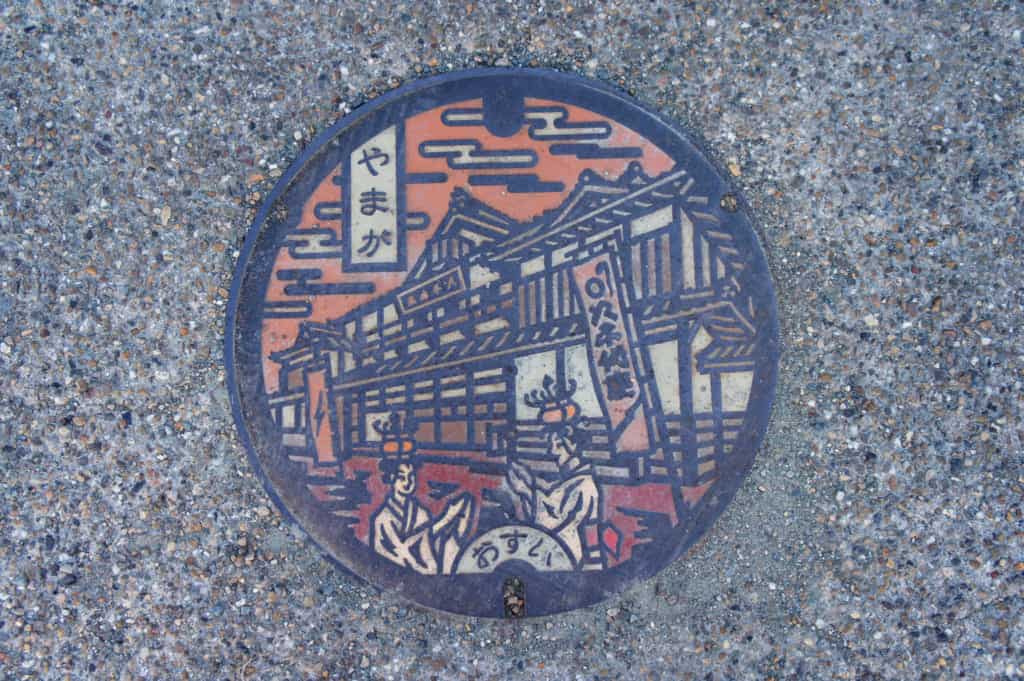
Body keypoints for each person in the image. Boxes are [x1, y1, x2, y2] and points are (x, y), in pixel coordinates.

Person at [505, 375, 601, 566]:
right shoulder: (574, 480)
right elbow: (553, 501)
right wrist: (530, 485)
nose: (552, 451)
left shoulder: (584, 484)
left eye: (556, 444)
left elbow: (551, 519)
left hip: (565, 557)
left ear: (571, 444)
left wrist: (525, 490)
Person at [369, 414, 474, 575]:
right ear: (390, 479)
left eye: (411, 476)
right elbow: (402, 554)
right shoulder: (383, 519)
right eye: (401, 477)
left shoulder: (420, 512)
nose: (408, 482)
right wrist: (444, 519)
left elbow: (429, 548)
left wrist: (453, 520)